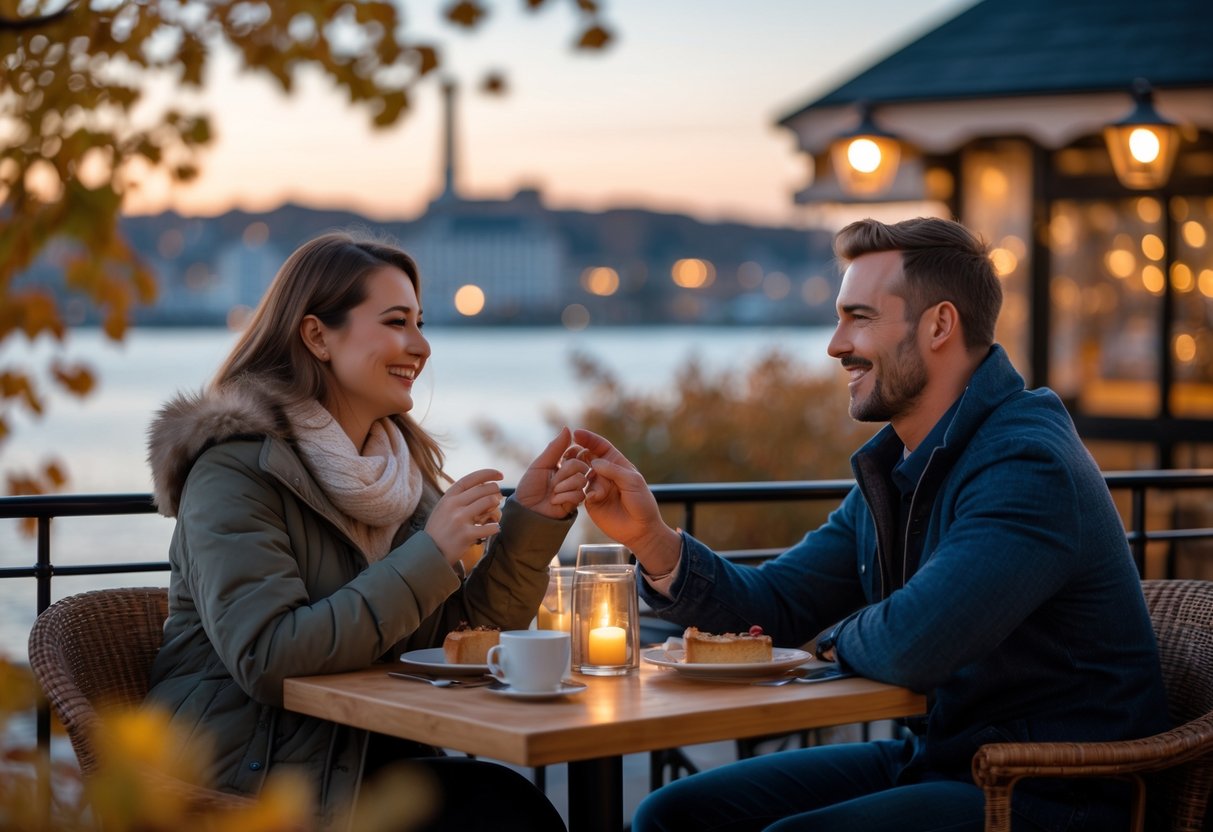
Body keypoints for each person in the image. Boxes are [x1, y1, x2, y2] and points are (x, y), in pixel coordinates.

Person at [574, 217, 1169, 832]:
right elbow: (778, 603)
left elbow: (916, 643)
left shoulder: (1027, 464)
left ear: (939, 325)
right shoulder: (900, 465)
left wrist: (832, 640)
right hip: (942, 759)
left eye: (859, 318)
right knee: (675, 813)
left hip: (1053, 792)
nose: (835, 345)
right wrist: (653, 541)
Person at [144, 231, 587, 831]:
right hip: (253, 775)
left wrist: (532, 524)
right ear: (317, 335)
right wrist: (432, 552)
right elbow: (270, 658)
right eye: (397, 321)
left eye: (420, 323)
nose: (422, 345)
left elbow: (457, 643)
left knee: (513, 806)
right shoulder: (236, 471)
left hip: (371, 758)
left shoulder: (405, 480)